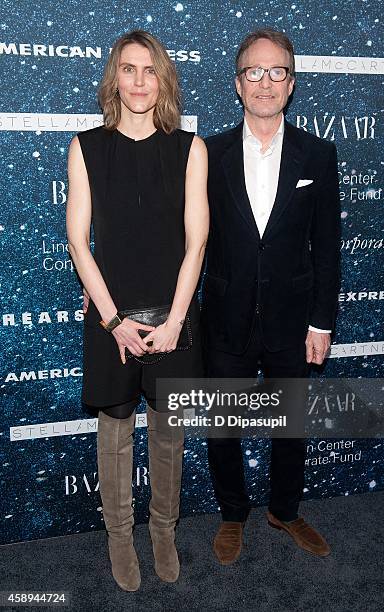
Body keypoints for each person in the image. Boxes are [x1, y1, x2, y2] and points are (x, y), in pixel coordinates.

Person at [66, 29, 208, 591]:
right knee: (115, 433)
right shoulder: (86, 148)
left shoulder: (189, 148)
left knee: (169, 436)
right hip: (110, 320)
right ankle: (120, 537)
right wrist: (114, 322)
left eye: (151, 70)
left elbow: (196, 243)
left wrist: (174, 321)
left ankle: (164, 532)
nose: (140, 81)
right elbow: (79, 241)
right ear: (114, 78)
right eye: (129, 69)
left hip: (174, 317)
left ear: (164, 78)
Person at [201, 28, 341, 565]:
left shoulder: (318, 155)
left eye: (276, 71)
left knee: (291, 423)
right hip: (225, 318)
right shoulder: (206, 153)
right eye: (254, 72)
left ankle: (285, 508)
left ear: (291, 84)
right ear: (238, 85)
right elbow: (192, 239)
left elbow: (327, 246)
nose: (265, 82)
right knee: (223, 426)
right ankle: (232, 514)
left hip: (293, 318)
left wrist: (322, 323)